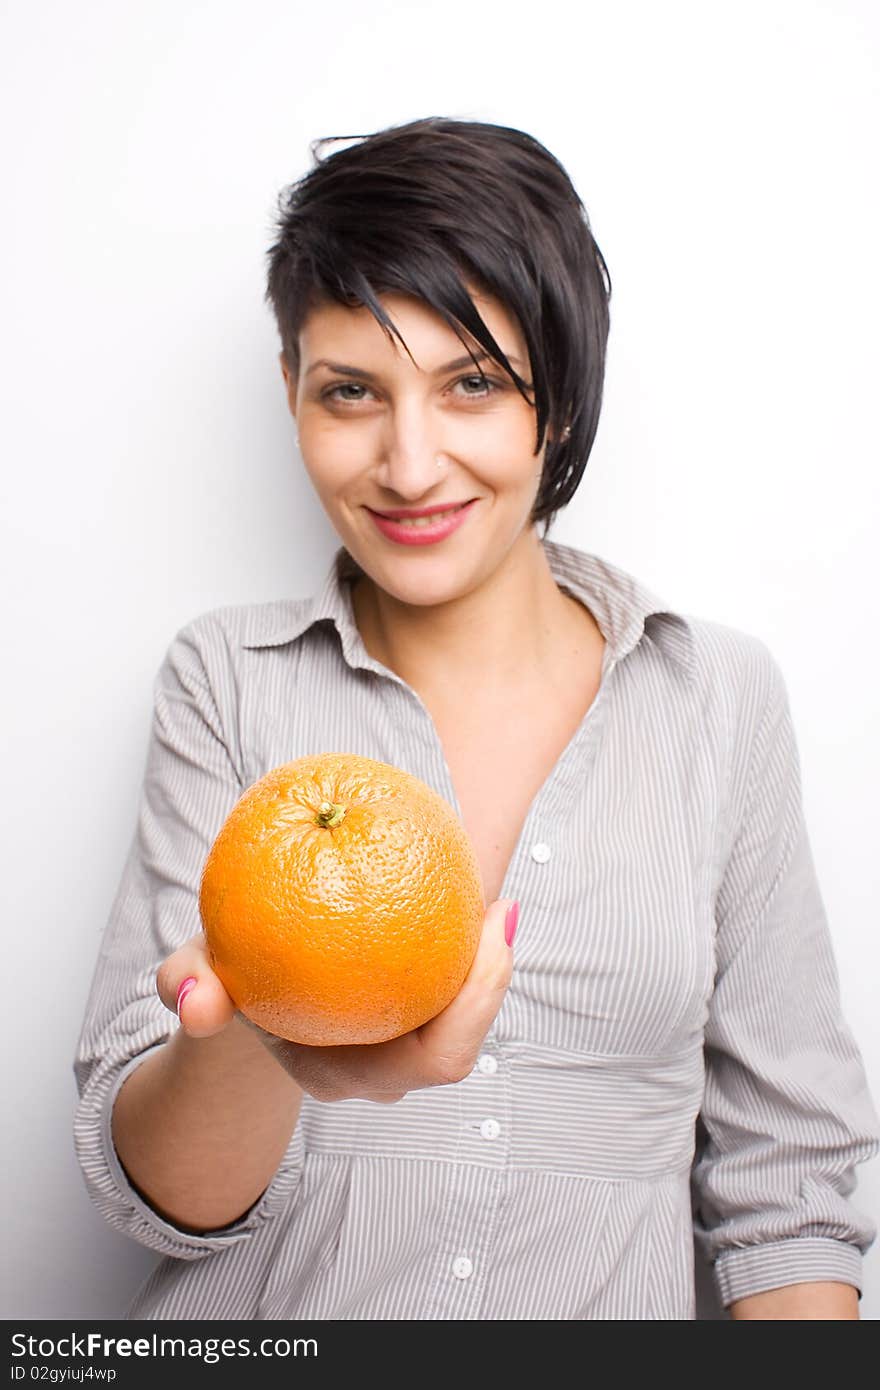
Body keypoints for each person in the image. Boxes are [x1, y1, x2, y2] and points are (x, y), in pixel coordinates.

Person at [73, 116, 880, 1321]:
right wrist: (255, 1030)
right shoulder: (227, 679)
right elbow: (164, 1193)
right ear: (291, 390)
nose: (408, 464)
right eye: (352, 391)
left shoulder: (717, 699)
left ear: (560, 393)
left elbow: (788, 1186)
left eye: (471, 386)